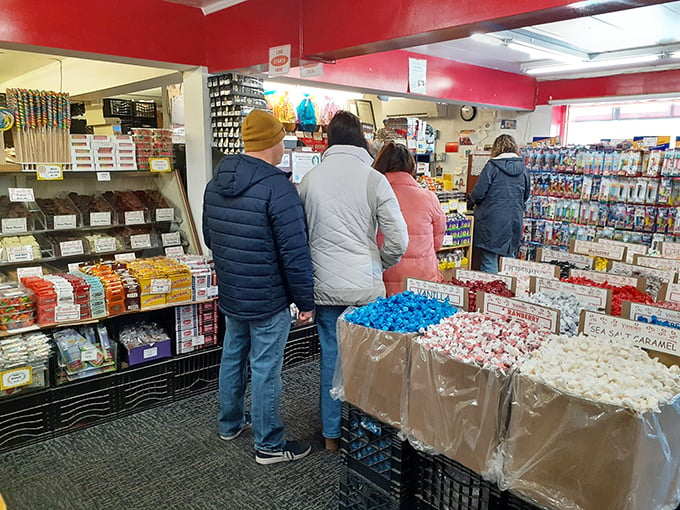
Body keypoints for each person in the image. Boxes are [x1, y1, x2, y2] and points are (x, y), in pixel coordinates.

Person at [203, 109, 315, 465]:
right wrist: (305, 301)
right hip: (268, 297)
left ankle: (230, 422)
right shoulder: (278, 187)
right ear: (273, 142)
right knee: (266, 367)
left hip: (233, 291)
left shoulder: (214, 182)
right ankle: (268, 444)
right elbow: (294, 253)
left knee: (233, 355)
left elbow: (210, 238)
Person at [299, 111, 409, 451]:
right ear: (361, 137)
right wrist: (379, 263)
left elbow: (298, 236)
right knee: (367, 361)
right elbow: (399, 239)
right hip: (365, 288)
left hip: (325, 288)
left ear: (329, 138)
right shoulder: (374, 180)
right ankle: (364, 433)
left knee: (331, 358)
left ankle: (332, 435)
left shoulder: (310, 180)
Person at [373, 141, 447, 295]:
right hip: (423, 277)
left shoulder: (373, 194)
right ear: (411, 166)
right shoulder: (429, 197)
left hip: (385, 276)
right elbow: (438, 241)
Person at [468, 134, 530, 274]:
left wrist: (472, 202)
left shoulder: (492, 167)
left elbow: (478, 194)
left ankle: (490, 292)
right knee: (509, 262)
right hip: (514, 220)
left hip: (491, 220)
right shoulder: (523, 169)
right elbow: (525, 196)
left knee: (489, 259)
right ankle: (508, 292)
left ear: (496, 149)